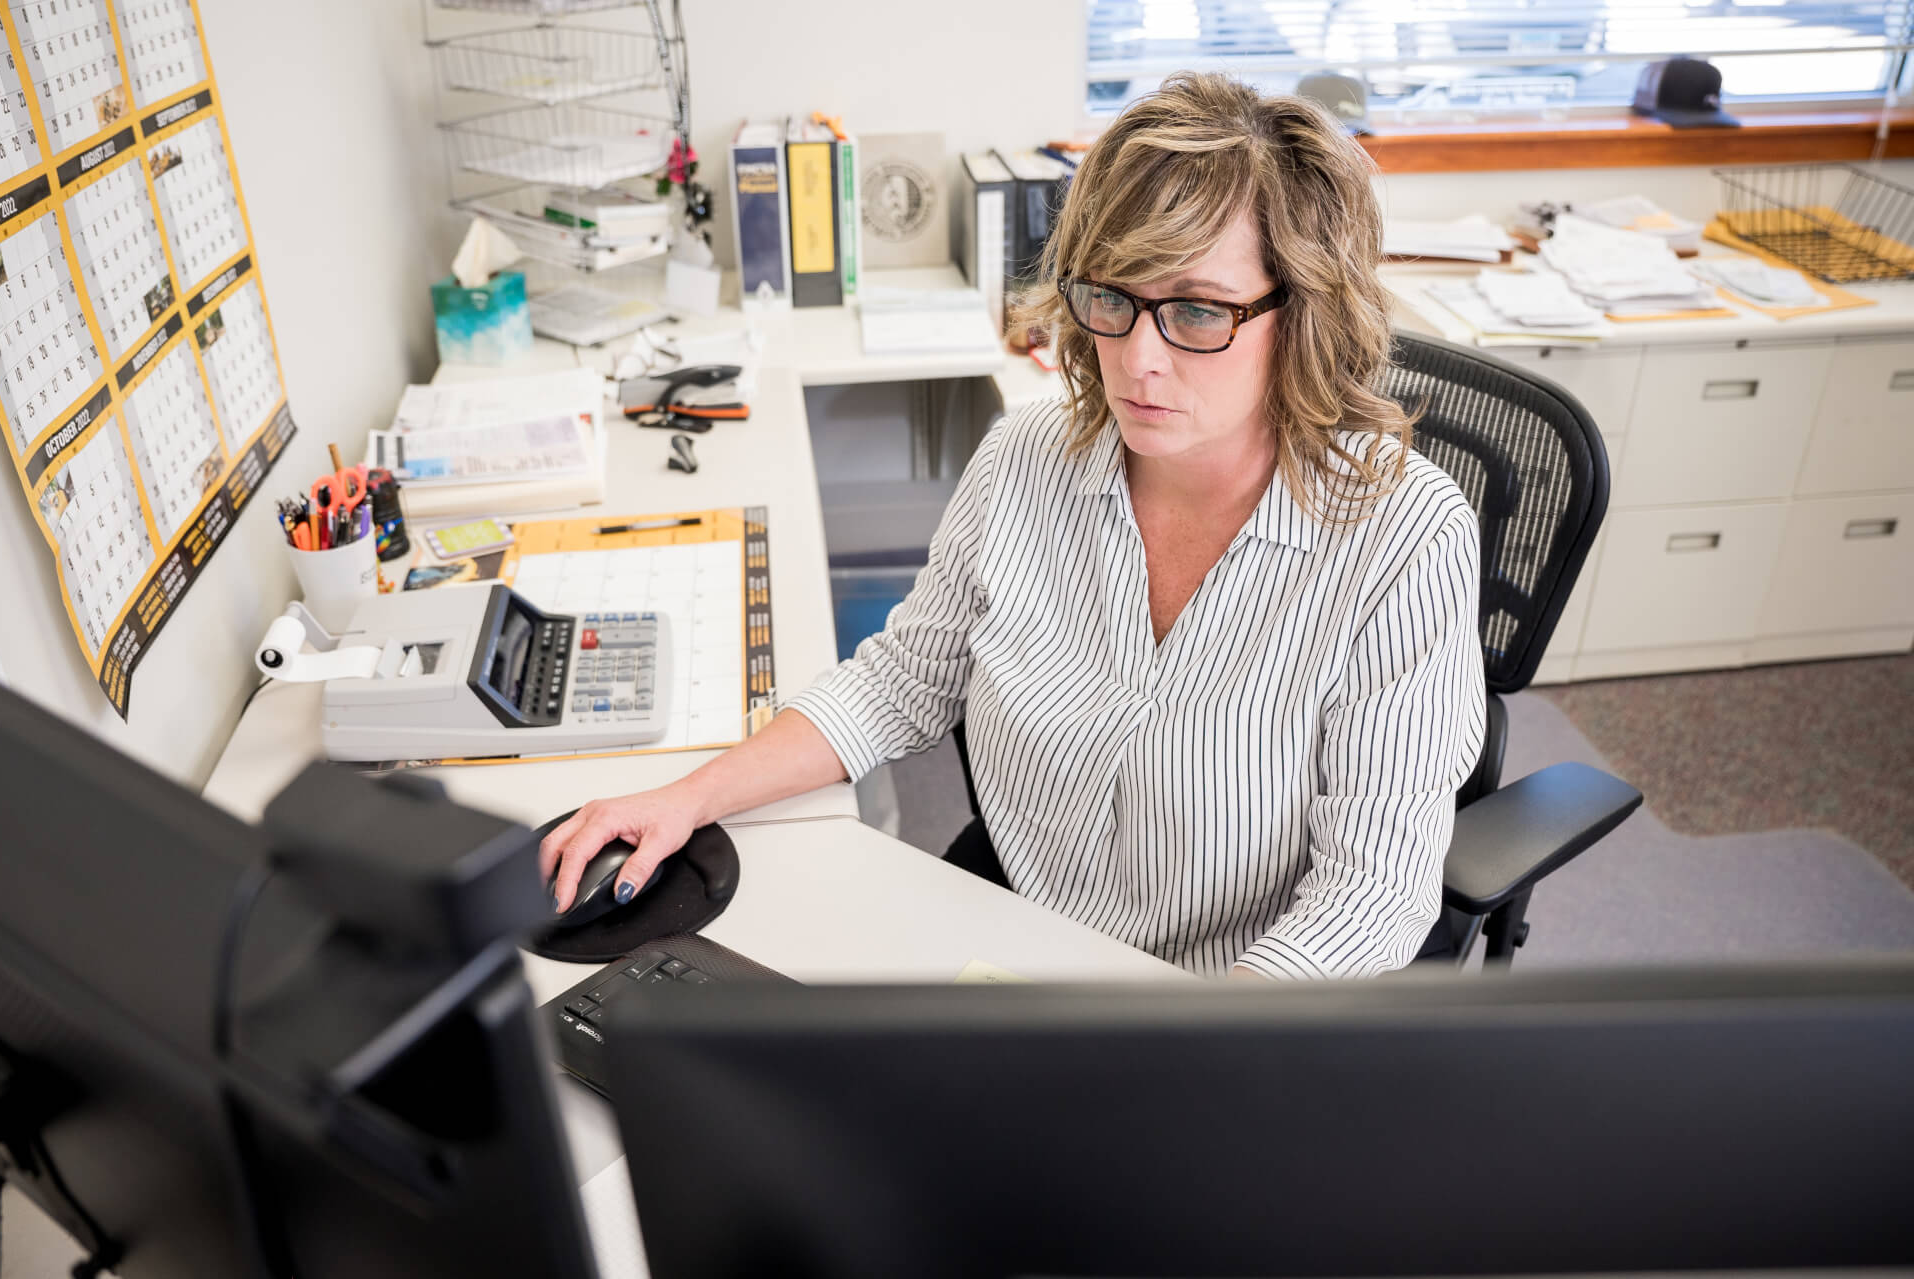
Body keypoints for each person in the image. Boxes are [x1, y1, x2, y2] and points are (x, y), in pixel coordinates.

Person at [542, 73, 1486, 979]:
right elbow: (902, 682)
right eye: (1111, 297)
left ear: (1305, 316)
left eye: (1197, 311)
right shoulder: (1028, 459)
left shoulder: (1404, 539)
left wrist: (1203, 1047)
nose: (1137, 359)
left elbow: (1374, 887)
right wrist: (684, 798)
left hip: (1224, 995)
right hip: (1015, 925)